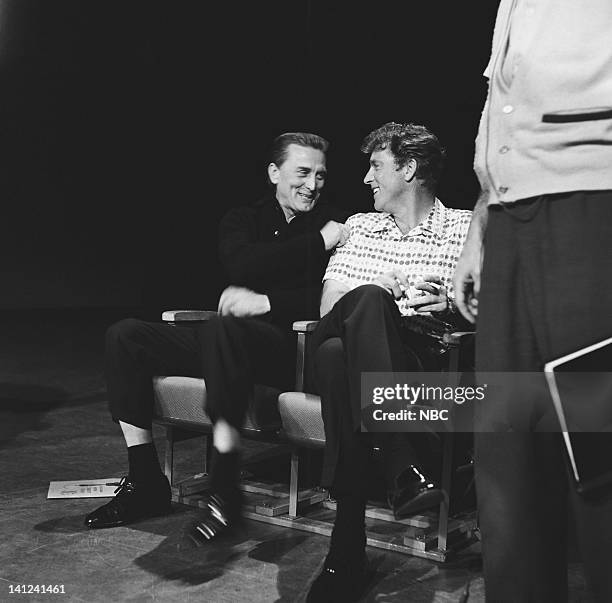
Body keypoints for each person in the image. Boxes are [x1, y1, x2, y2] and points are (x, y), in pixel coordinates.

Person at [85, 132, 350, 539]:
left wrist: (269, 303)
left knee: (224, 328)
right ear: (274, 172)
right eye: (302, 172)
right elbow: (242, 265)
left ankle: (225, 481)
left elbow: (332, 294)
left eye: (320, 175)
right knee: (126, 335)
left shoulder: (338, 224)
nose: (312, 185)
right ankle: (144, 479)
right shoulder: (245, 219)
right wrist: (316, 244)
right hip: (226, 341)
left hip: (288, 347)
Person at [453, 2, 612, 601]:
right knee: (507, 453)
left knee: (599, 450)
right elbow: (505, 113)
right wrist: (481, 223)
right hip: (512, 223)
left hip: (593, 209)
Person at [306, 122, 472, 602]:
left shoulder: (464, 228)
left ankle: (346, 546)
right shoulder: (358, 226)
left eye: (376, 166)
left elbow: (492, 308)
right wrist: (379, 288)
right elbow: (328, 308)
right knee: (367, 304)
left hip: (421, 357)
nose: (365, 178)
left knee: (340, 360)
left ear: (410, 168)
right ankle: (402, 460)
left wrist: (453, 305)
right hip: (344, 330)